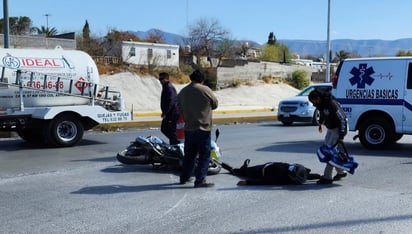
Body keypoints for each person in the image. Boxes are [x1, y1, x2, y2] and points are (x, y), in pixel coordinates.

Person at [177, 70, 218, 188]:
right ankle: (200, 180)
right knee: (204, 155)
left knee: (189, 155)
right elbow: (215, 104)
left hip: (189, 128)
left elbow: (178, 105)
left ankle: (184, 177)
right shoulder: (205, 90)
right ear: (202, 80)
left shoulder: (183, 91)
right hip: (203, 128)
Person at [308, 89, 348, 185]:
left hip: (339, 129)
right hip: (331, 128)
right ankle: (341, 172)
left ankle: (327, 177)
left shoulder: (332, 104)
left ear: (318, 98)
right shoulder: (321, 104)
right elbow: (323, 113)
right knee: (328, 151)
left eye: (313, 101)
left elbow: (342, 119)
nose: (313, 103)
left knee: (329, 153)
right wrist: (321, 123)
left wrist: (341, 135)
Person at [221, 159, 321, 185]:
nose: (290, 167)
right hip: (264, 168)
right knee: (242, 171)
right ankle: (235, 169)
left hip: (263, 169)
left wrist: (247, 182)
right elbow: (307, 176)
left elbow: (307, 176)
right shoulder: (287, 173)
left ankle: (235, 169)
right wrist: (320, 176)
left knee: (242, 171)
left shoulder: (283, 177)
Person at [159, 72, 180, 145]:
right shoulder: (166, 87)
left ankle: (175, 144)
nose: (160, 81)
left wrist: (165, 112)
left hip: (172, 113)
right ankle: (175, 142)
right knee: (164, 129)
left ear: (166, 79)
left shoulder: (169, 87)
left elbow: (171, 101)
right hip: (169, 113)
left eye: (162, 79)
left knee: (171, 130)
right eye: (159, 79)